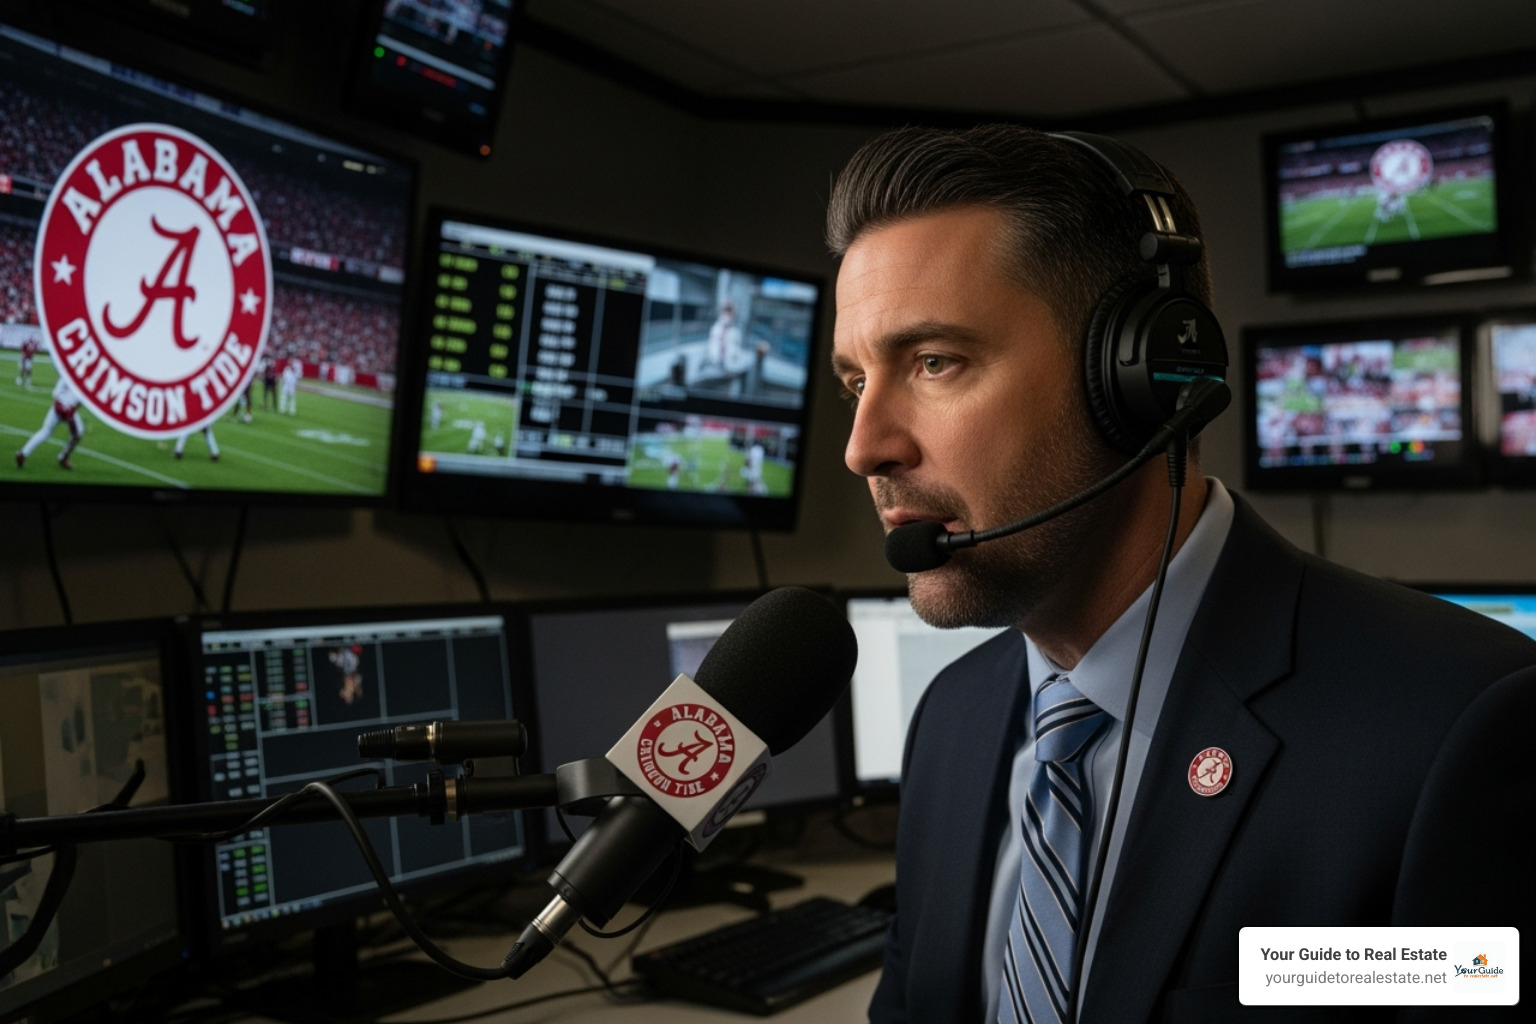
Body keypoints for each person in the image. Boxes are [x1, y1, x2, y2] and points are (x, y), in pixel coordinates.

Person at [826, 125, 1534, 1024]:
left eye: (934, 362)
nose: (864, 448)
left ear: (1140, 378)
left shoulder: (1454, 727)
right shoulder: (951, 717)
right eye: (857, 383)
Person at [16, 378, 85, 469]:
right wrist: (68, 408)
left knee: (45, 431)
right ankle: (64, 457)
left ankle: (23, 453)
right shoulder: (77, 377)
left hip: (59, 406)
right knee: (78, 433)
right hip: (67, 408)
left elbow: (57, 392)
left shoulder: (69, 375)